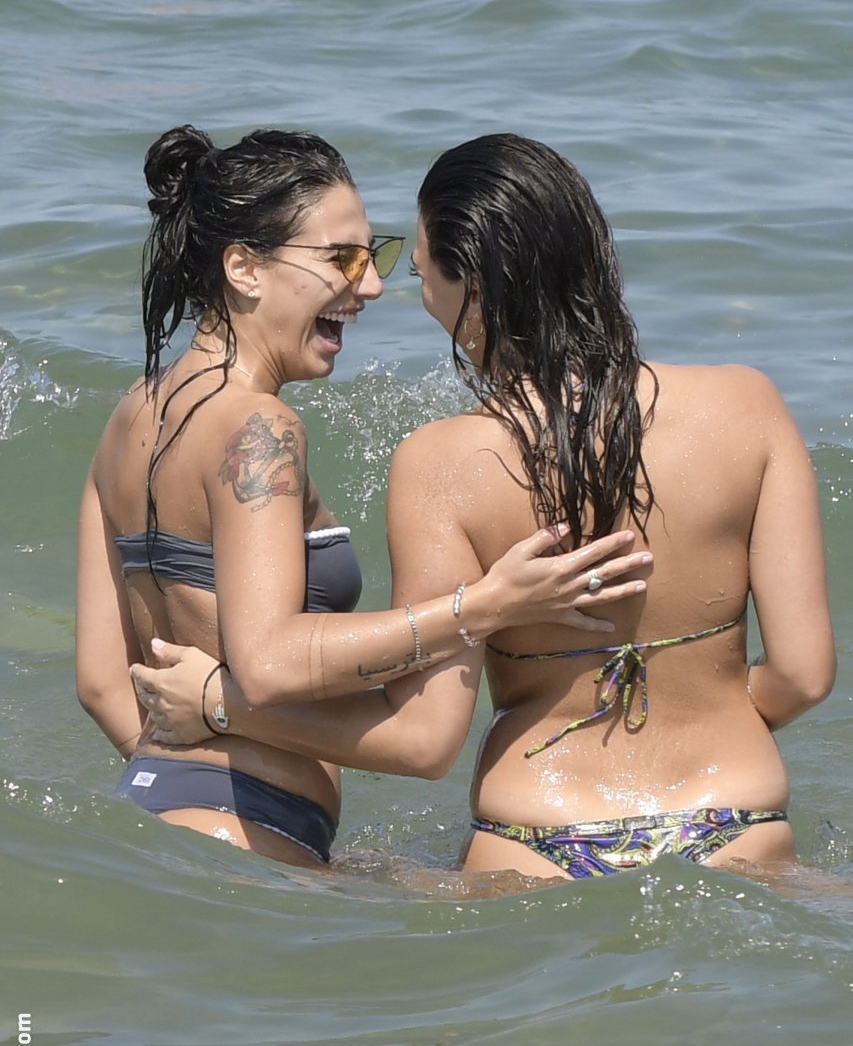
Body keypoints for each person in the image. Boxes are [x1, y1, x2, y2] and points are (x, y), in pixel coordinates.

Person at [131, 132, 836, 882]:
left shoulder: (441, 462)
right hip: (736, 820)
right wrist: (702, 718)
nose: (394, 290)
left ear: (469, 282)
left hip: (535, 837)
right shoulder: (749, 407)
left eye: (420, 270)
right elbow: (802, 675)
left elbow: (425, 733)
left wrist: (220, 706)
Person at [76, 125, 651, 871]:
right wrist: (484, 606)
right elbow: (268, 663)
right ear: (244, 268)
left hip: (154, 797)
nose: (371, 285)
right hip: (243, 826)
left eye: (371, 256)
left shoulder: (132, 414)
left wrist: (181, 779)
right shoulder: (258, 427)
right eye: (340, 259)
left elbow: (101, 680)